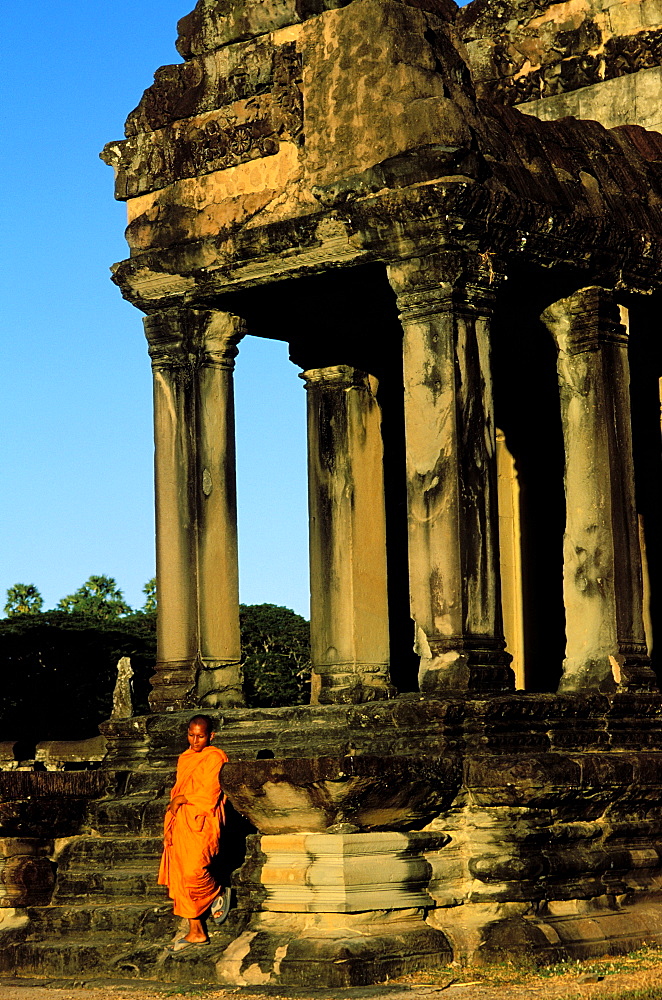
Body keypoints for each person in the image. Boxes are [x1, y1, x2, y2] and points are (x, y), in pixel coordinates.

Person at [158, 714, 230, 951]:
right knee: (180, 875)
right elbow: (178, 789)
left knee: (193, 871)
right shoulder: (185, 758)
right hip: (181, 821)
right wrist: (170, 825)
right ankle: (196, 931)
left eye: (201, 736)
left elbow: (211, 793)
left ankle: (216, 891)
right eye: (191, 735)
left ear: (211, 736)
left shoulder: (215, 757)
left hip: (202, 821)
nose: (195, 740)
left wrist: (183, 798)